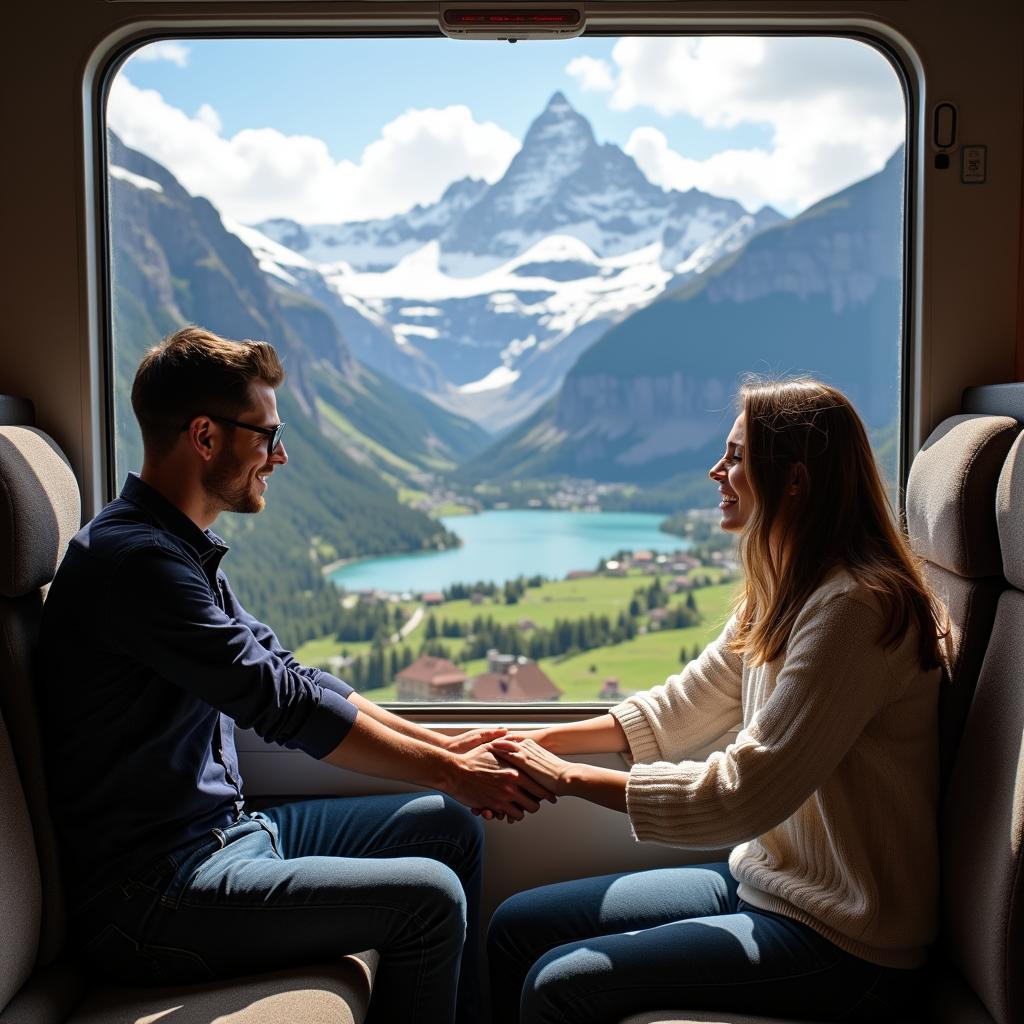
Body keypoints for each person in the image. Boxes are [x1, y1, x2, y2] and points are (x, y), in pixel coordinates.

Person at [39, 326, 552, 1024]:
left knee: (445, 825)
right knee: (429, 900)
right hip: (157, 898)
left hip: (230, 838)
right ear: (205, 436)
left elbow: (293, 674)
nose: (279, 455)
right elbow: (280, 705)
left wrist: (444, 753)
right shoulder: (136, 565)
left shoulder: (172, 550)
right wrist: (448, 770)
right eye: (268, 434)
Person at [486, 377, 946, 1024]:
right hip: (764, 884)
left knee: (558, 986)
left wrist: (561, 778)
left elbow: (739, 795)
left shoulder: (855, 611)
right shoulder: (785, 588)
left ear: (792, 481)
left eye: (735, 456)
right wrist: (521, 744)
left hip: (845, 940)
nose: (716, 470)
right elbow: (683, 705)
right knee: (514, 926)